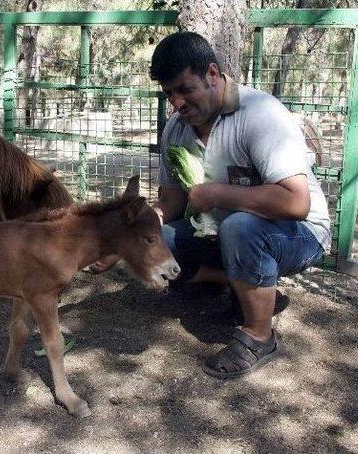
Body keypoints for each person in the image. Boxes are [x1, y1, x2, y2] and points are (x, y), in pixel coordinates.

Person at [93, 31, 331, 379]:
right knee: (163, 244)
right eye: (169, 93)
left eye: (185, 89)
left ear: (213, 75)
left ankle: (259, 336)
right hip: (225, 230)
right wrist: (125, 243)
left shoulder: (260, 114)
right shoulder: (176, 128)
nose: (176, 103)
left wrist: (216, 194)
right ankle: (245, 283)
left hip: (300, 234)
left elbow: (296, 202)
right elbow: (170, 203)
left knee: (241, 227)